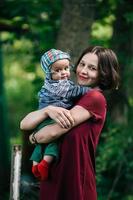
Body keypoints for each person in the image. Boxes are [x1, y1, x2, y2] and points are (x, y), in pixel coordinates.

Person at [20, 46, 120, 200]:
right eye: (82, 64)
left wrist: (33, 137)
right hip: (53, 177)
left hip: (74, 180)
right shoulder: (68, 96)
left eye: (92, 68)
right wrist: (47, 111)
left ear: (104, 73)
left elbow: (50, 133)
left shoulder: (94, 98)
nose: (83, 71)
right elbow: (24, 124)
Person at [29, 49, 90, 181]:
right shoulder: (61, 87)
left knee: (41, 144)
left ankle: (35, 165)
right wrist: (91, 91)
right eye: (57, 70)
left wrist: (33, 137)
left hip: (43, 119)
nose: (63, 73)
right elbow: (76, 90)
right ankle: (45, 163)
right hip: (51, 118)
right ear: (48, 73)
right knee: (54, 140)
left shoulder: (48, 85)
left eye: (66, 68)